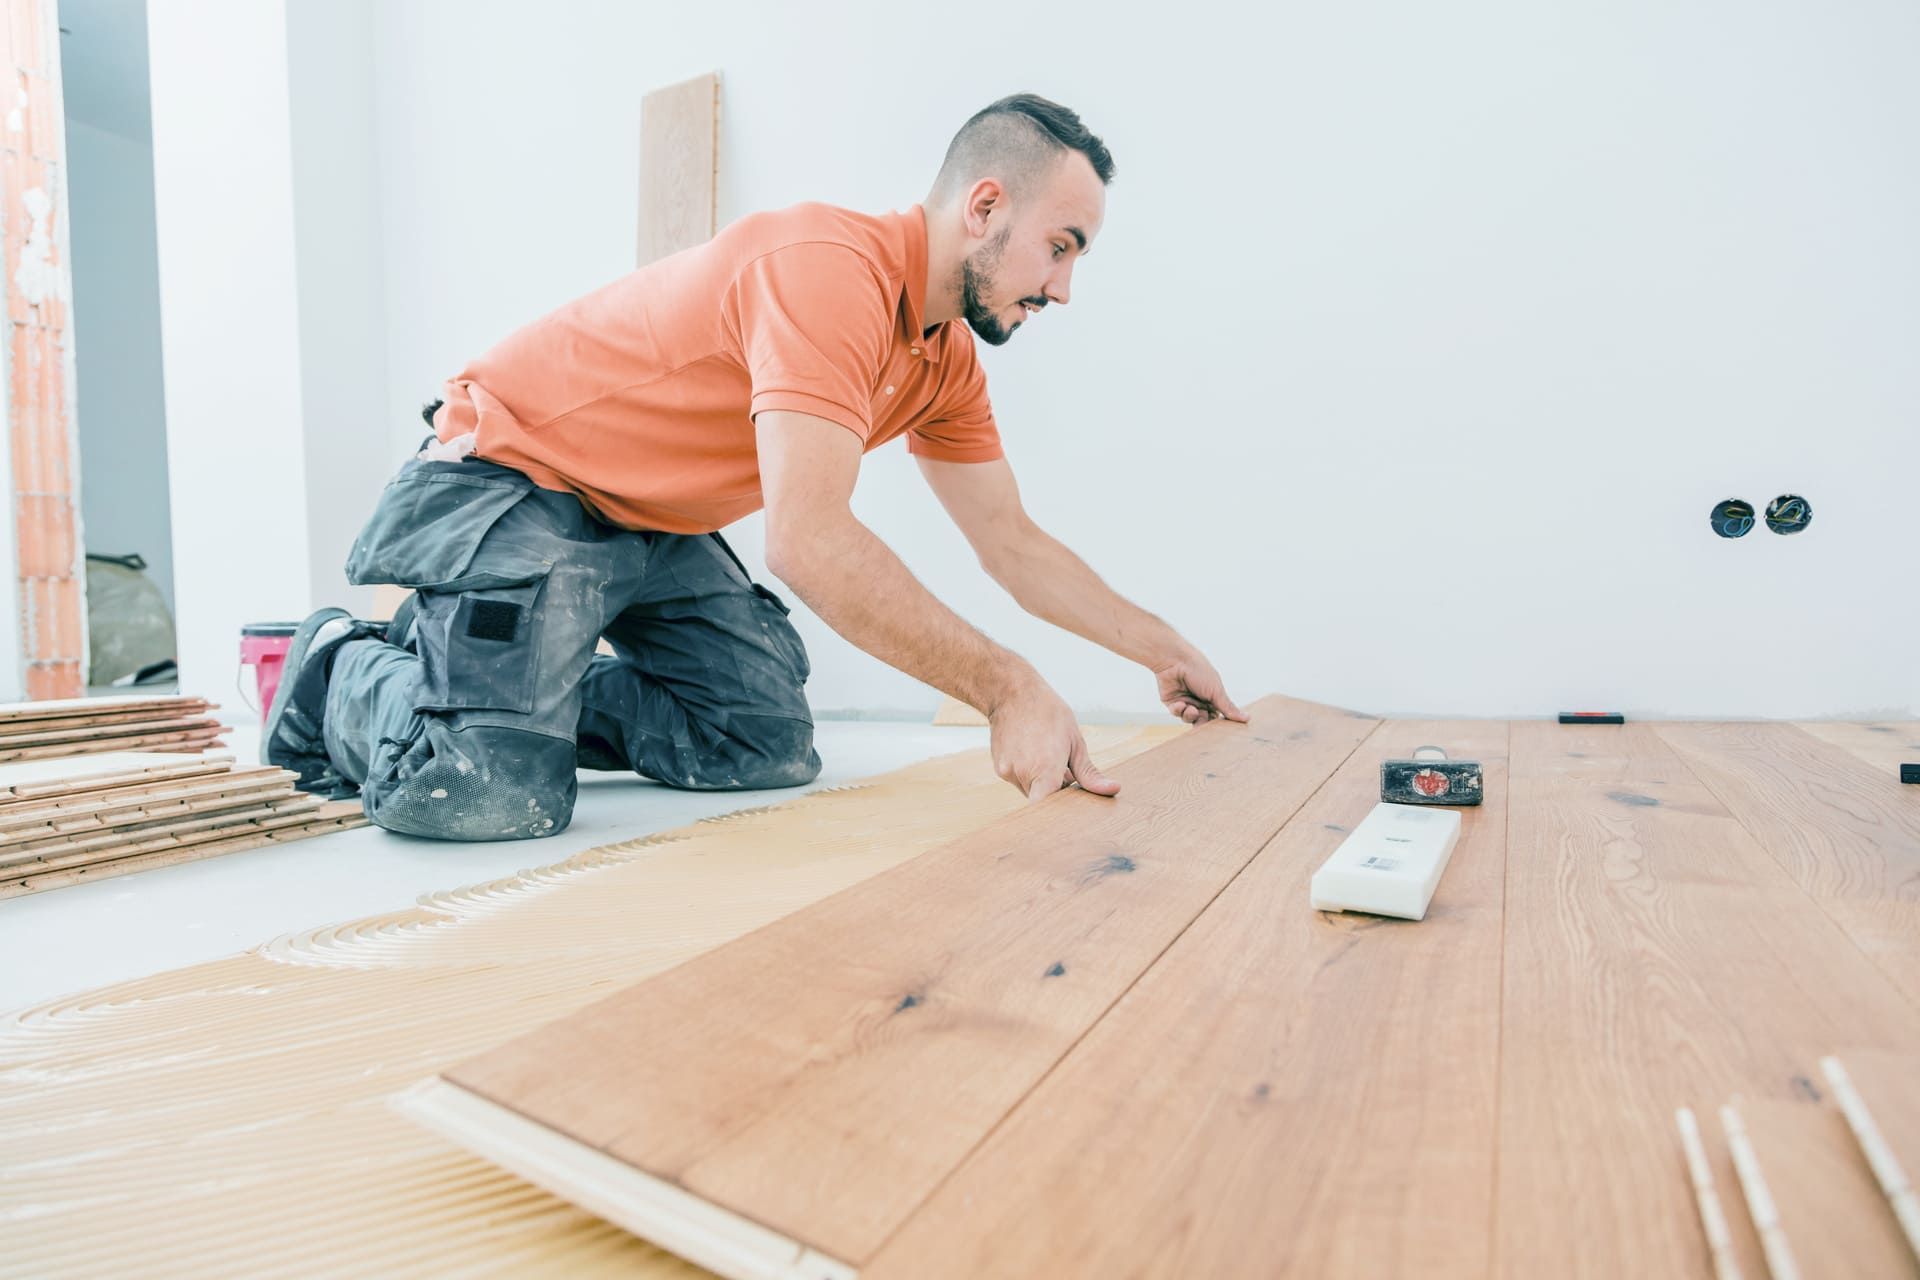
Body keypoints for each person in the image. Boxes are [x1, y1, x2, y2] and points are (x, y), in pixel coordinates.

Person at [263, 92, 1245, 842]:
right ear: (986, 205)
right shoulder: (826, 267)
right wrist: (1008, 686)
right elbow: (809, 540)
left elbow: (1012, 542)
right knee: (486, 791)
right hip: (521, 477)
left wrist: (1159, 646)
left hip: (651, 522)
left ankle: (512, 681)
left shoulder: (940, 356)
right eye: (1060, 247)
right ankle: (340, 666)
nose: (1065, 288)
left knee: (759, 744)